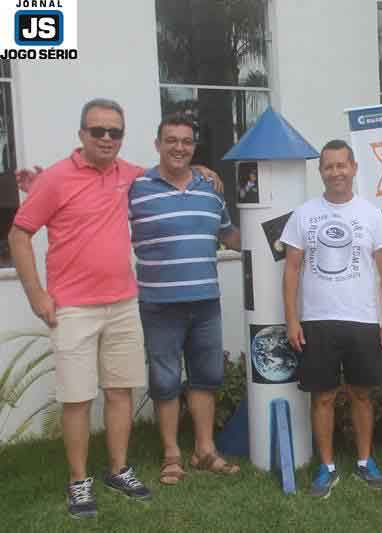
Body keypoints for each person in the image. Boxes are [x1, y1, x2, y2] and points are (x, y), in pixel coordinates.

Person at [9, 98, 152, 518]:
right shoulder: (55, 178)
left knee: (121, 391)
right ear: (82, 134)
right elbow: (19, 235)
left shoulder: (129, 174)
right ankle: (78, 481)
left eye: (115, 132)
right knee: (76, 398)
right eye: (98, 130)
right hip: (73, 308)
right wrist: (37, 295)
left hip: (123, 303)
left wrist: (203, 171)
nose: (107, 138)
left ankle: (118, 470)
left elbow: (167, 176)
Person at [128, 113, 242, 486]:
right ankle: (172, 454)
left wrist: (275, 237)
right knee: (165, 381)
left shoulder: (210, 188)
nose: (179, 147)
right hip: (159, 304)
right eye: (171, 140)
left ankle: (205, 450)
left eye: (187, 141)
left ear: (194, 147)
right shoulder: (137, 188)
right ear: (157, 144)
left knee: (206, 379)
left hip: (206, 302)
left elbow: (229, 235)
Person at [280, 139, 382, 498]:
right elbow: (291, 270)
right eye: (328, 166)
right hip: (317, 320)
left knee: (362, 394)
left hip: (362, 320)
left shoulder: (371, 215)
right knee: (323, 397)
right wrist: (292, 320)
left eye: (342, 165)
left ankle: (364, 462)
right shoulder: (304, 214)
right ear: (321, 172)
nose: (336, 172)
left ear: (354, 168)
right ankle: (326, 467)